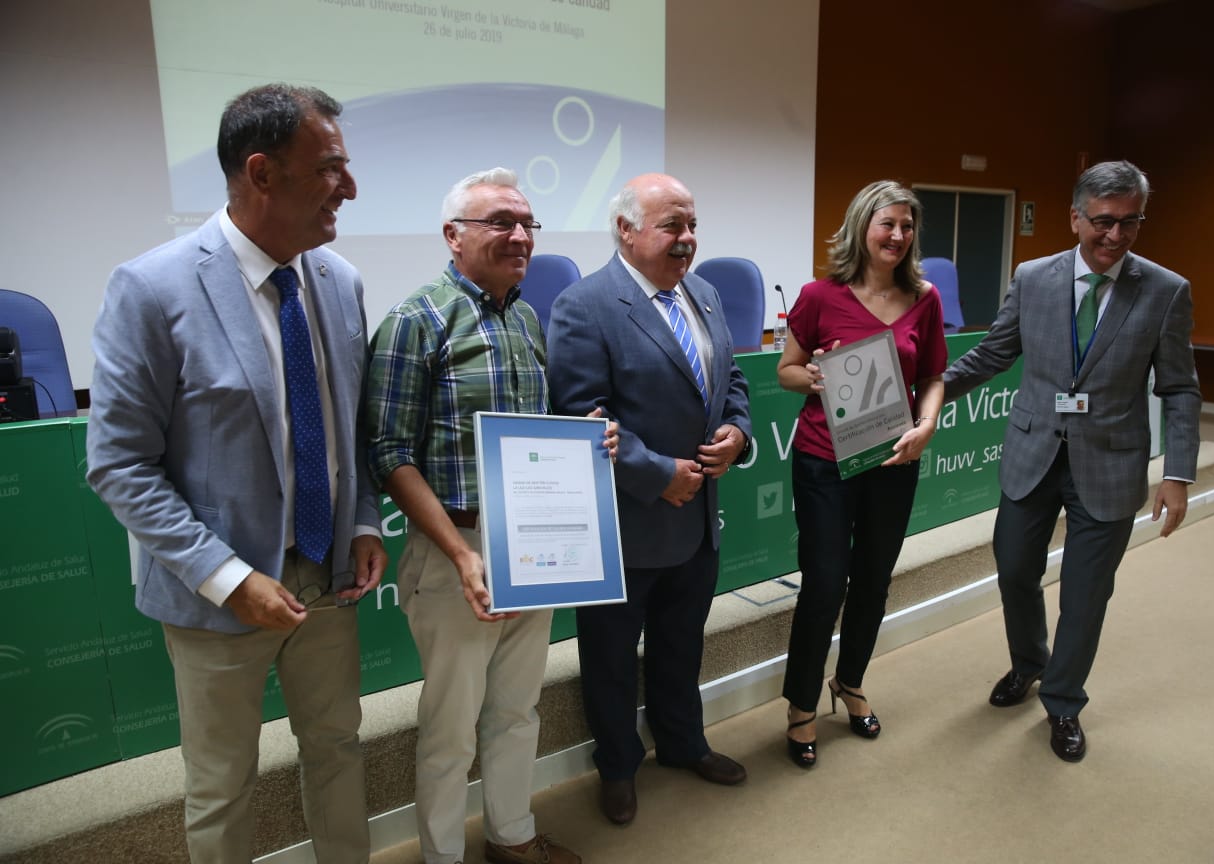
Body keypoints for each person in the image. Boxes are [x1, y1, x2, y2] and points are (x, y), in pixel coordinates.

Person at [86, 84, 386, 863]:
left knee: (338, 748)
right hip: (216, 600)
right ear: (261, 172)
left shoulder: (340, 281)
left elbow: (348, 422)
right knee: (221, 785)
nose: (349, 189)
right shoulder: (151, 289)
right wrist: (227, 577)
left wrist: (359, 521)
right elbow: (119, 465)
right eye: (329, 169)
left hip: (325, 580)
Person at [365, 168, 610, 864]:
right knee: (450, 729)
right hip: (456, 553)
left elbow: (537, 438)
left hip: (531, 547)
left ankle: (511, 838)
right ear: (454, 236)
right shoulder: (416, 320)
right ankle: (442, 856)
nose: (520, 235)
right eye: (501, 221)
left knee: (515, 710)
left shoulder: (528, 318)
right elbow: (387, 452)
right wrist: (461, 553)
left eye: (528, 223)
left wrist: (591, 440)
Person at [943, 160, 1201, 762]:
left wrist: (1179, 472)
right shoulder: (1033, 277)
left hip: (1110, 463)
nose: (1114, 236)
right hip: (1034, 452)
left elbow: (1180, 388)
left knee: (1085, 595)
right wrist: (920, 397)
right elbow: (992, 354)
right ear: (1075, 217)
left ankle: (1062, 702)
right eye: (1103, 222)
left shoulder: (1166, 291)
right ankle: (1028, 663)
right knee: (1013, 570)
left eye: (1130, 223)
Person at [545, 173, 753, 826]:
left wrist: (738, 432)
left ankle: (683, 745)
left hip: (696, 524)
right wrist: (656, 473)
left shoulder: (707, 294)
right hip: (623, 525)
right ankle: (617, 767)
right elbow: (581, 413)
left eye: (692, 225)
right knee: (608, 660)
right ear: (626, 231)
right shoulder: (584, 306)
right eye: (672, 226)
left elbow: (734, 377)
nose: (687, 239)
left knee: (680, 646)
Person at [777, 181, 947, 769]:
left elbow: (932, 377)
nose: (897, 235)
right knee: (826, 583)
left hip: (894, 460)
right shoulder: (819, 296)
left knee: (874, 580)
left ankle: (848, 683)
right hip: (825, 459)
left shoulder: (925, 298)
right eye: (886, 224)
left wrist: (926, 426)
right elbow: (786, 371)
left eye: (906, 225)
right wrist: (819, 376)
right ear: (861, 227)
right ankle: (801, 704)